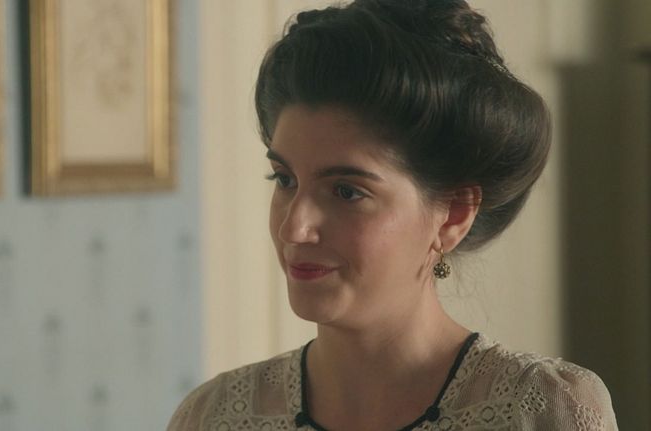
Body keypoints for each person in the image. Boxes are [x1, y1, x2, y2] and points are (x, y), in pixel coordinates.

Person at [168, 0, 618, 429]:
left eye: (346, 191)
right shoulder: (213, 416)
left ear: (453, 215)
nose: (295, 228)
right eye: (284, 180)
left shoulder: (543, 411)